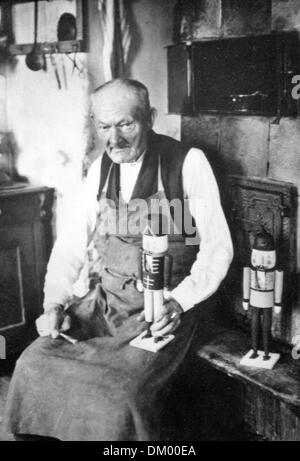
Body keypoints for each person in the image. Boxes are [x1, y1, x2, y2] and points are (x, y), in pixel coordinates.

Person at [5, 79, 233, 441]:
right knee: (32, 364)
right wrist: (54, 303)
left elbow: (218, 249)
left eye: (126, 124)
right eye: (104, 127)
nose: (115, 139)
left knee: (120, 392)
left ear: (150, 118)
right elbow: (70, 245)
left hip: (162, 311)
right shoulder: (102, 168)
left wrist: (179, 302)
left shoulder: (186, 162)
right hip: (105, 302)